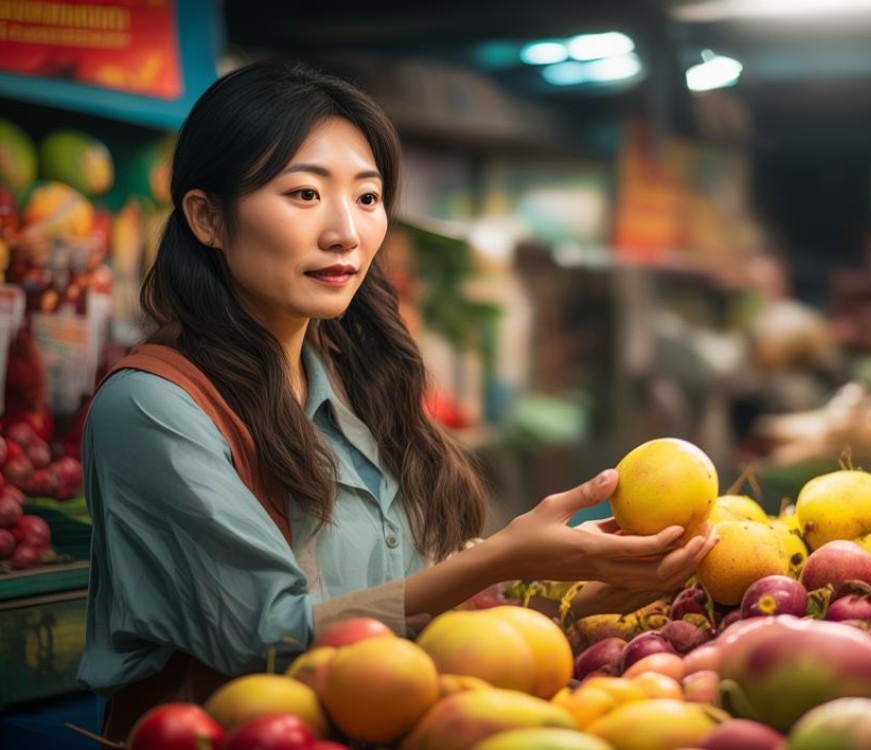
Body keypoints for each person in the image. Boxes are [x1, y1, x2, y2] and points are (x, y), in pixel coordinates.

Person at [78, 60, 714, 739]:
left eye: (367, 197)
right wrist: (506, 557)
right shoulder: (154, 410)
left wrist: (574, 592)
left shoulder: (360, 389)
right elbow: (265, 638)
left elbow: (411, 622)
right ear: (208, 218)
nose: (346, 233)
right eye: (304, 194)